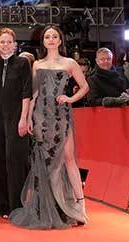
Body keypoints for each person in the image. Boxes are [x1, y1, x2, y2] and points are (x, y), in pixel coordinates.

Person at [10, 25, 89, 229]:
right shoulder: (37, 64)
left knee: (69, 159)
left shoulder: (70, 63)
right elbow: (34, 94)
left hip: (62, 115)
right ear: (43, 41)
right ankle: (50, 205)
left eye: (55, 36)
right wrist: (27, 119)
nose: (51, 39)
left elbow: (85, 86)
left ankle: (80, 206)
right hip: (41, 118)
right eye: (48, 37)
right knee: (45, 163)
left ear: (60, 40)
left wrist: (70, 98)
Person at [0, 28, 32, 218]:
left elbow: (27, 92)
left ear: (15, 45)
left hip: (17, 117)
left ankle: (17, 205)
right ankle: (1, 204)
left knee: (15, 161)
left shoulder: (23, 63)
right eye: (2, 42)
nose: (5, 45)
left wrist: (24, 118)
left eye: (9, 42)